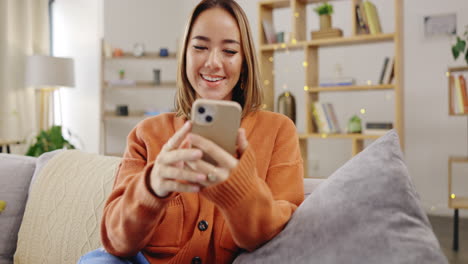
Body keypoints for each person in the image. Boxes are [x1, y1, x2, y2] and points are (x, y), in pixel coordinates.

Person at [78, 0, 303, 263]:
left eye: (229, 51)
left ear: (245, 63)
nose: (213, 62)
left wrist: (240, 187)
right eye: (199, 47)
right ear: (185, 54)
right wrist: (152, 187)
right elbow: (116, 242)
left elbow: (279, 235)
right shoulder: (147, 133)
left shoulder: (277, 131)